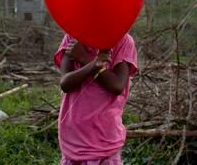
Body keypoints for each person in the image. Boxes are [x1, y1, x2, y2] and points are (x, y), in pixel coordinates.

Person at [53, 33, 138, 165]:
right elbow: (65, 84)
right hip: (74, 137)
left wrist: (85, 59)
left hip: (104, 137)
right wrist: (94, 63)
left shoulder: (123, 41)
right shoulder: (72, 37)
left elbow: (117, 86)